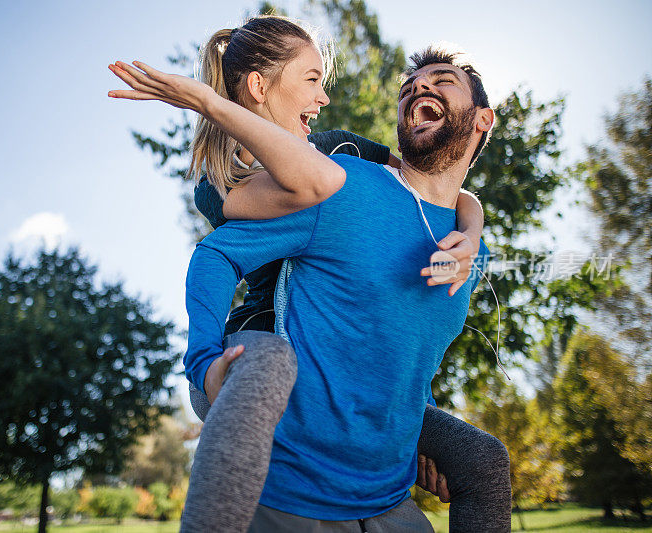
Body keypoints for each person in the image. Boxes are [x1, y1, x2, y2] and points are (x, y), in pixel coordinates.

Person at [108, 16, 511, 533]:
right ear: (258, 88)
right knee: (269, 363)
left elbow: (408, 347)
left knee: (484, 460)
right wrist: (204, 362)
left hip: (384, 488)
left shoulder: (460, 242)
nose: (420, 88)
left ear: (482, 120)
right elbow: (218, 247)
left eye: (441, 82)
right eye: (410, 86)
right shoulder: (331, 180)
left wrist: (472, 230)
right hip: (269, 390)